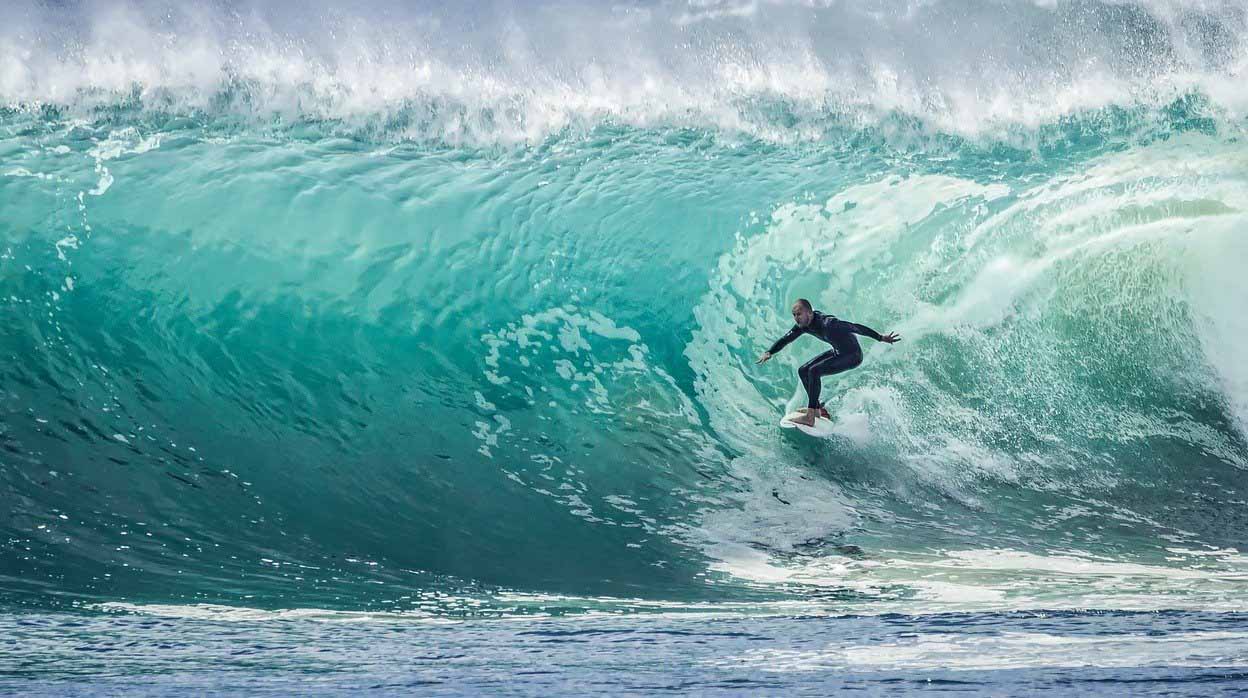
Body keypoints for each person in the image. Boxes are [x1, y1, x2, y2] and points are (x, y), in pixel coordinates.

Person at [756, 298, 900, 426]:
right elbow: (786, 338)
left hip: (853, 355)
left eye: (798, 314)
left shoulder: (829, 323)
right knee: (803, 370)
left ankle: (810, 416)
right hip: (838, 352)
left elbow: (856, 327)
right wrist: (770, 352)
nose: (796, 318)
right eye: (794, 315)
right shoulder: (804, 325)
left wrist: (880, 337)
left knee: (814, 371)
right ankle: (817, 409)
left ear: (809, 313)